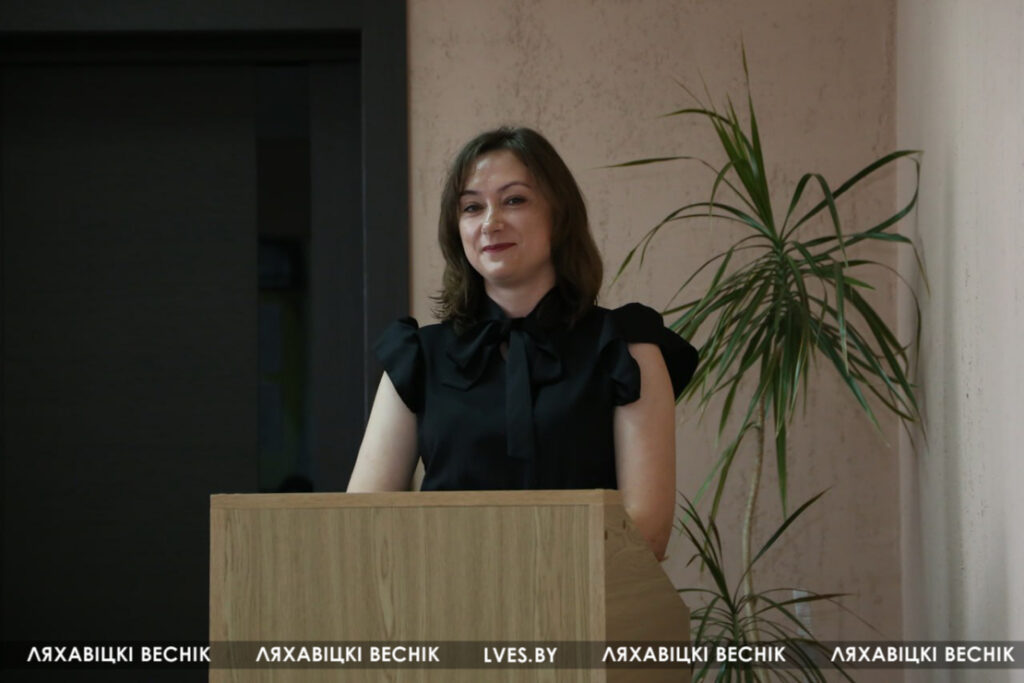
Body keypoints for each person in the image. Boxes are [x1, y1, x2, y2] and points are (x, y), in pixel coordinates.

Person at [347, 127, 697, 561]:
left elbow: (647, 531)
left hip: (588, 597)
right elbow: (362, 523)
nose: (490, 222)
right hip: (442, 596)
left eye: (514, 200)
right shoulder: (418, 355)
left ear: (559, 214)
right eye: (472, 207)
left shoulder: (627, 348)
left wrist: (523, 574)